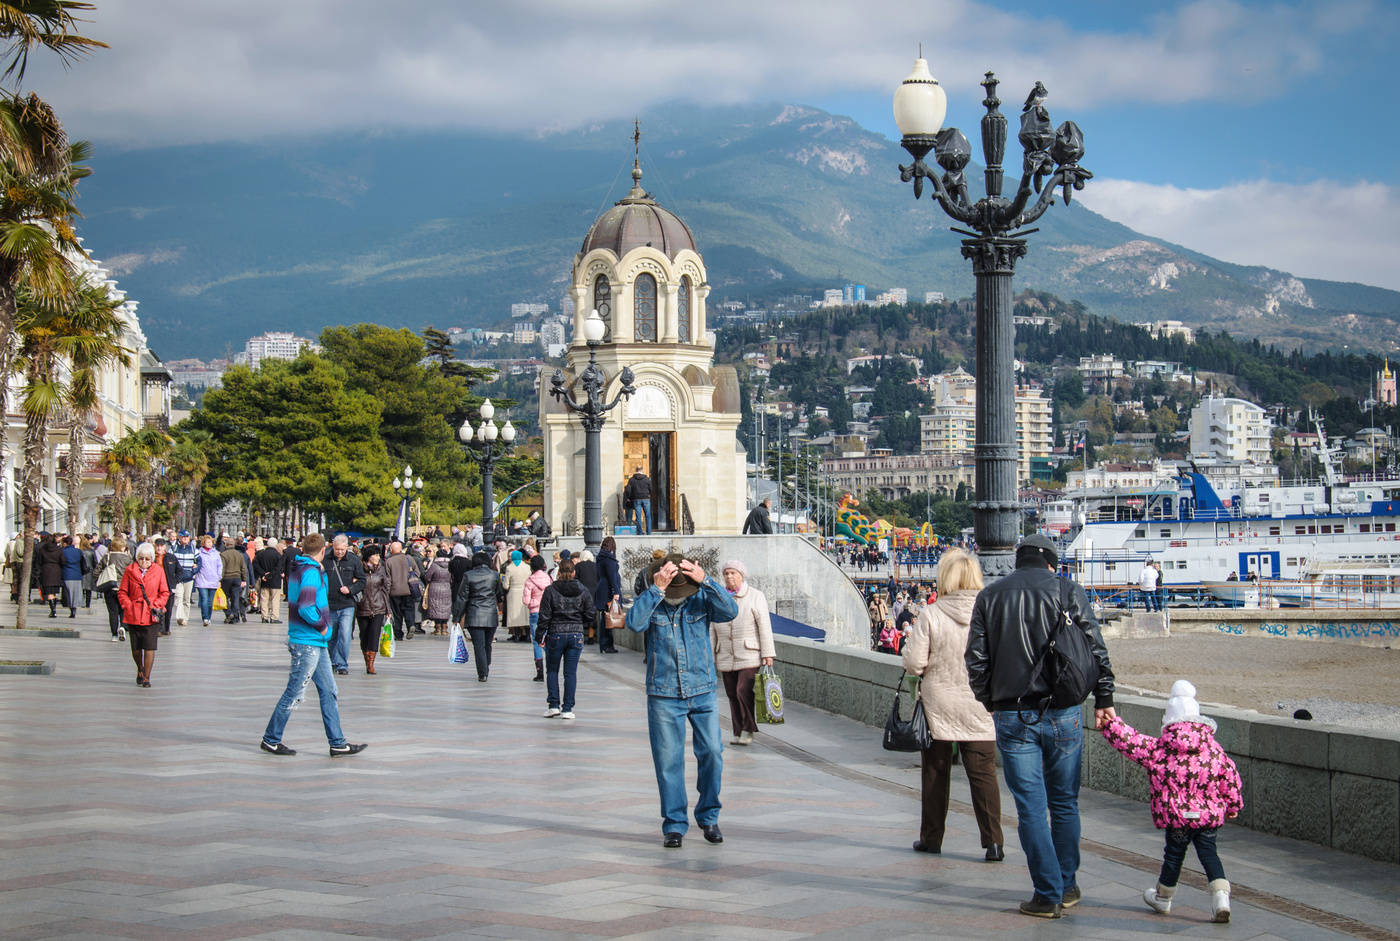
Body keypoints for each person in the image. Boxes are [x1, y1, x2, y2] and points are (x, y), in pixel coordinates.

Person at [965, 534, 1116, 919]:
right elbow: (1095, 651)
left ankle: (1046, 894)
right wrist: (1104, 699)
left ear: (1019, 561)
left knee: (1031, 808)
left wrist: (991, 701)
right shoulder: (1068, 590)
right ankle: (1066, 886)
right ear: (1051, 562)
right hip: (1064, 710)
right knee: (1064, 801)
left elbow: (977, 660)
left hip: (1013, 714)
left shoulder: (990, 597)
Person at [1101, 680, 1242, 923]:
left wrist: (1109, 723)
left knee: (1174, 856)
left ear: (1170, 719)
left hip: (1176, 817)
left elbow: (1131, 741)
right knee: (1209, 854)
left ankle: (1163, 898)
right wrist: (1233, 805)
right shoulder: (1214, 749)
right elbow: (1230, 776)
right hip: (1207, 817)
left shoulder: (1160, 749)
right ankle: (1221, 898)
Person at [625, 553, 739, 848]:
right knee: (668, 762)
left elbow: (730, 611)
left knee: (713, 752)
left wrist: (706, 580)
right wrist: (656, 589)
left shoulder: (700, 597)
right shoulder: (653, 601)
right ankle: (674, 824)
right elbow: (634, 624)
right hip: (663, 692)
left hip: (701, 689)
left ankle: (708, 815)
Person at [901, 548, 1004, 860]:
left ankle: (931, 838)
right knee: (983, 773)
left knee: (936, 771)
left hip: (938, 703)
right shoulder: (991, 614)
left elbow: (915, 663)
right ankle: (993, 842)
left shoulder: (931, 614)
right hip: (979, 702)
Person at [259, 532, 368, 758]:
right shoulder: (309, 571)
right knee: (295, 692)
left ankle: (337, 742)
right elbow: (306, 607)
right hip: (307, 640)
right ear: (323, 550)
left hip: (315, 642)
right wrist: (323, 627)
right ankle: (271, 738)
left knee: (329, 690)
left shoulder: (301, 567)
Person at [710, 559, 775, 746]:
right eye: (726, 573)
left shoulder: (755, 596)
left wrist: (767, 653)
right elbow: (712, 628)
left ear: (741, 575)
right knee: (731, 693)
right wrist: (710, 656)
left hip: (749, 653)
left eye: (733, 573)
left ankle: (748, 728)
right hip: (725, 653)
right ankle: (738, 731)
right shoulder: (718, 598)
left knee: (743, 691)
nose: (729, 577)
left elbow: (764, 625)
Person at [536, 558, 594, 719]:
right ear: (574, 572)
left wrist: (539, 635)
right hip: (576, 633)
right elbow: (591, 613)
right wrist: (580, 621)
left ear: (559, 572)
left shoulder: (550, 590)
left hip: (555, 633)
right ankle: (567, 708)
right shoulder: (583, 590)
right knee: (570, 673)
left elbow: (544, 616)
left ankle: (553, 705)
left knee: (552, 670)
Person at [117, 542, 169, 688]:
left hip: (151, 615)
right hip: (133, 613)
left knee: (150, 646)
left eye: (147, 559)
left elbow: (165, 592)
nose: (144, 562)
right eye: (141, 558)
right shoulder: (130, 570)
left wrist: (156, 604)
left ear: (152, 559)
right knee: (136, 648)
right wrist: (128, 605)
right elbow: (122, 592)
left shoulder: (158, 571)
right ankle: (140, 668)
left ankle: (146, 676)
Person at [452, 550, 503, 681]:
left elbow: (462, 597)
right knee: (488, 644)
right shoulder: (495, 575)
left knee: (478, 645)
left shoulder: (468, 575)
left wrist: (457, 616)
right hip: (491, 613)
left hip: (474, 613)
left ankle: (482, 672)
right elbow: (499, 593)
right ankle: (486, 664)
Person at [324, 535, 366, 674]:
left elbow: (362, 581)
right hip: (330, 604)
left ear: (346, 547)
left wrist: (350, 589)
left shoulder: (354, 560)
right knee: (331, 636)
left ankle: (342, 664)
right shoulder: (326, 559)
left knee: (345, 634)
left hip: (347, 604)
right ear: (333, 547)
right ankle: (331, 661)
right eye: (337, 549)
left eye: (342, 549)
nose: (339, 552)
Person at [355, 548, 389, 674]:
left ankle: (371, 664)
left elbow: (385, 590)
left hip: (378, 607)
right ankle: (366, 659)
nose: (378, 557)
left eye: (378, 555)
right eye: (375, 555)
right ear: (368, 557)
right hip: (363, 607)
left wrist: (388, 609)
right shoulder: (359, 569)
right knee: (364, 636)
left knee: (374, 635)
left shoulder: (381, 570)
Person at [523, 554, 552, 682]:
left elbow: (525, 600)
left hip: (535, 612)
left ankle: (539, 672)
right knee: (548, 639)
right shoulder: (549, 579)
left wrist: (532, 603)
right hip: (548, 612)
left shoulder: (530, 581)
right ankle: (551, 666)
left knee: (536, 641)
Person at [100, 536, 132, 642]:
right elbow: (133, 573)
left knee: (112, 611)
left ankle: (114, 634)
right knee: (123, 610)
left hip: (110, 587)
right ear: (122, 547)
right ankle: (123, 627)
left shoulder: (107, 557)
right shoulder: (127, 558)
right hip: (123, 588)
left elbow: (97, 570)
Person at [593, 537, 621, 654]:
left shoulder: (601, 558)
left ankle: (604, 644)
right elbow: (612, 577)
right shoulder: (609, 559)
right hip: (608, 591)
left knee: (604, 618)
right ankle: (608, 645)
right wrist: (616, 591)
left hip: (601, 589)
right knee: (609, 618)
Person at [383, 541, 415, 642]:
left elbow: (388, 579)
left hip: (395, 591)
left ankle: (398, 634)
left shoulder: (389, 561)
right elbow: (417, 572)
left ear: (391, 550)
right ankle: (410, 625)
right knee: (409, 609)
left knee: (397, 613)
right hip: (408, 590)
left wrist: (386, 592)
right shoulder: (409, 558)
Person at [501, 548, 531, 647]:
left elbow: (505, 585)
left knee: (515, 614)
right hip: (525, 591)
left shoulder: (510, 568)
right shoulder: (527, 567)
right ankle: (527, 635)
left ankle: (517, 634)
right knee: (525, 614)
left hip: (513, 593)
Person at [253, 535, 286, 623]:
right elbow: (278, 568)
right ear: (275, 545)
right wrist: (270, 574)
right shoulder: (278, 555)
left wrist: (264, 574)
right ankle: (274, 617)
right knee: (275, 599)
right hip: (275, 580)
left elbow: (255, 565)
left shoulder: (261, 554)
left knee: (264, 599)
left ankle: (264, 617)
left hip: (264, 580)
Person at [192, 535, 223, 626]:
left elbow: (219, 565)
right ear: (203, 543)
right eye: (207, 542)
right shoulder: (199, 553)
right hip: (202, 579)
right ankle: (205, 618)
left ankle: (208, 617)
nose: (209, 544)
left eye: (211, 542)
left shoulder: (216, 553)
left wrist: (219, 577)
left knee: (210, 601)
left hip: (213, 579)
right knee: (204, 600)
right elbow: (195, 563)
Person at [422, 548, 454, 635]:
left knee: (435, 607)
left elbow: (428, 577)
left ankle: (437, 628)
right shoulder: (450, 565)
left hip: (435, 587)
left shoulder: (434, 565)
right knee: (446, 608)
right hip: (447, 587)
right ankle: (444, 628)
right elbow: (452, 578)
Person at [219, 537, 249, 624]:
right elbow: (243, 568)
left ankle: (228, 613)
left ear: (226, 544)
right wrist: (244, 579)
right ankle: (235, 617)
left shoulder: (223, 554)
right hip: (237, 578)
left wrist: (219, 579)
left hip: (226, 578)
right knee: (235, 598)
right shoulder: (239, 554)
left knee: (224, 598)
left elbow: (222, 568)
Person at [153, 538, 180, 635]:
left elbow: (179, 570)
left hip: (168, 587)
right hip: (155, 587)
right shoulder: (152, 558)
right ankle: (159, 629)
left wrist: (175, 581)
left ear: (165, 547)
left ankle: (167, 628)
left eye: (161, 546)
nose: (159, 548)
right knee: (158, 608)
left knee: (168, 609)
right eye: (157, 546)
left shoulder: (170, 557)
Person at [171, 531, 198, 625]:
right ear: (179, 538)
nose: (185, 538)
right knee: (178, 598)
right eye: (183, 537)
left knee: (186, 599)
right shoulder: (174, 548)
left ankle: (185, 618)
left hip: (188, 577)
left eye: (187, 536)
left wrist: (194, 571)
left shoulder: (193, 549)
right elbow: (169, 559)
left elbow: (199, 562)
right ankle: (179, 617)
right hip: (178, 578)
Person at [37, 533, 63, 618]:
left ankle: (53, 611)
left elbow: (39, 561)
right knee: (54, 592)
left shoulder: (42, 550)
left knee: (49, 592)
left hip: (46, 571)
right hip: (56, 571)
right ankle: (54, 609)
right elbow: (63, 561)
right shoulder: (59, 549)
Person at [59, 535, 85, 619]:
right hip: (77, 574)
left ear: (65, 543)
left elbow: (61, 562)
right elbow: (83, 563)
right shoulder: (78, 551)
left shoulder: (63, 551)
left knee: (69, 593)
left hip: (67, 574)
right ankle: (74, 609)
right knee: (76, 593)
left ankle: (71, 609)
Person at [625, 465, 652, 534]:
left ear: (636, 470)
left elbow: (628, 490)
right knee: (648, 516)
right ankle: (649, 532)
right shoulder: (647, 479)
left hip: (636, 499)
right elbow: (651, 489)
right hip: (646, 499)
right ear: (642, 470)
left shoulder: (631, 480)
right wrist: (649, 495)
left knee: (638, 516)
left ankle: (640, 532)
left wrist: (628, 497)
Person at [78, 534, 97, 609]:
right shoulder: (92, 551)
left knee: (82, 589)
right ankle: (87, 604)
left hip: (81, 571)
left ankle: (82, 602)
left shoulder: (80, 551)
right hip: (90, 571)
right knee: (89, 589)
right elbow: (95, 562)